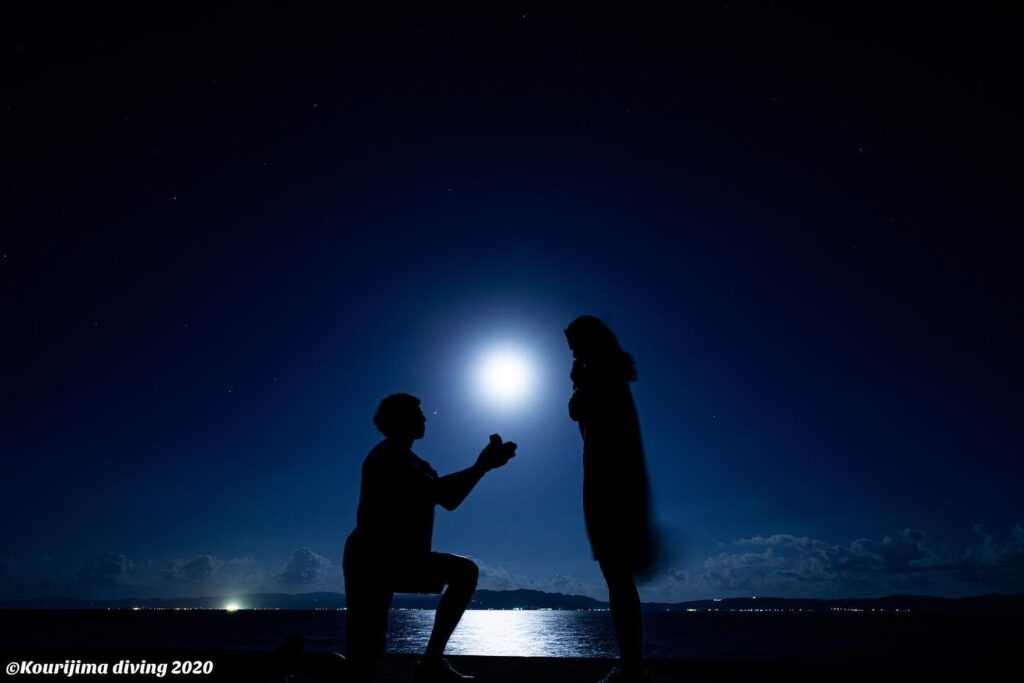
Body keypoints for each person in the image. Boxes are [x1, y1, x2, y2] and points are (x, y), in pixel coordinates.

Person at [343, 392, 516, 682]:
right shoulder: (387, 458)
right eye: (416, 413)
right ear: (399, 420)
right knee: (364, 660)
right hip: (370, 562)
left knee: (464, 572)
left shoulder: (416, 463)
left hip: (399, 559)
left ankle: (432, 662)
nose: (424, 418)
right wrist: (482, 465)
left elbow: (449, 498)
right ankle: (299, 666)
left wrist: (482, 466)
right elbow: (441, 493)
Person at [565, 316, 657, 683]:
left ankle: (632, 668)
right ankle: (632, 663)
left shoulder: (599, 369)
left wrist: (576, 381)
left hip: (607, 480)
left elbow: (577, 410)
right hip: (618, 478)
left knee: (616, 574)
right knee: (618, 574)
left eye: (575, 345)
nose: (573, 353)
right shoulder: (612, 370)